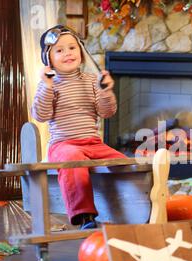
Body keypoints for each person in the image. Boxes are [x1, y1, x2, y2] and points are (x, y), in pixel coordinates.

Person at [32, 25, 125, 230]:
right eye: (59, 50)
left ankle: (135, 208)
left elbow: (106, 112)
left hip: (93, 144)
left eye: (72, 48)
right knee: (72, 158)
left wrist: (105, 91)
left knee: (125, 164)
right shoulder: (49, 84)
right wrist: (47, 87)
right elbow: (41, 114)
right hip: (63, 145)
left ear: (81, 52)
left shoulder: (92, 81)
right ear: (49, 59)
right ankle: (85, 216)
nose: (68, 53)